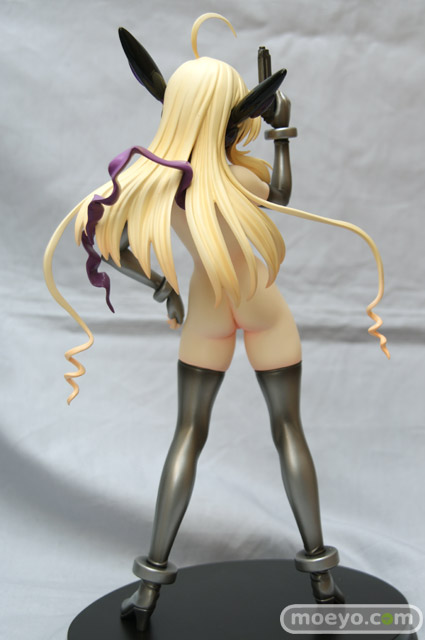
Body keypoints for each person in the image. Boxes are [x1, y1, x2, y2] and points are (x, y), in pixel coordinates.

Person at [43, 13, 389, 631]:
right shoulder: (231, 175)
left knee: (188, 435)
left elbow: (107, 240)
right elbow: (280, 197)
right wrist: (281, 132)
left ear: (175, 108)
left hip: (205, 308)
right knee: (288, 430)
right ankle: (322, 578)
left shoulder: (157, 180)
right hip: (260, 304)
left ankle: (149, 589)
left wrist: (162, 287)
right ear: (228, 113)